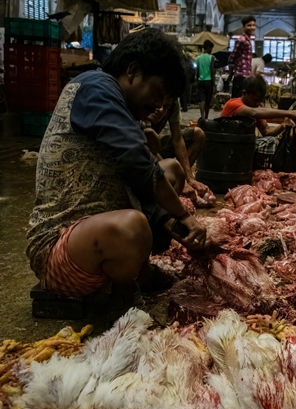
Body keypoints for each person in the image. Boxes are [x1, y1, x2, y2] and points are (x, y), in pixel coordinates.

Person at [27, 28, 207, 299]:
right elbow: (137, 166)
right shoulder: (96, 88)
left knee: (170, 170)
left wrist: (171, 223)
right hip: (60, 249)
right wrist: (183, 216)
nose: (158, 107)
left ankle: (137, 269)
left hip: (92, 237)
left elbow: (139, 179)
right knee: (131, 227)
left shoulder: (120, 104)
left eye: (165, 102)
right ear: (133, 70)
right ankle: (130, 277)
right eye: (157, 94)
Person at [221, 75, 296, 159]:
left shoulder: (255, 108)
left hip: (242, 144)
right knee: (271, 143)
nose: (257, 104)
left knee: (274, 142)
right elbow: (254, 112)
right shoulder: (233, 104)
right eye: (255, 99)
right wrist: (290, 113)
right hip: (227, 145)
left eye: (259, 101)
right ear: (244, 93)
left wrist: (283, 125)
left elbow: (266, 131)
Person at [143, 99, 209, 198]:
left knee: (198, 134)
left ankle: (180, 180)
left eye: (166, 107)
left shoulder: (173, 101)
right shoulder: (144, 100)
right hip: (140, 147)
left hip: (155, 144)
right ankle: (172, 182)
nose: (161, 110)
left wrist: (189, 177)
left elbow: (177, 138)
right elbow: (148, 147)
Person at [227, 15, 256, 98]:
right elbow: (232, 58)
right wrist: (230, 74)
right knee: (237, 102)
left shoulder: (248, 40)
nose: (252, 27)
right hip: (240, 76)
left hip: (245, 76)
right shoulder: (242, 40)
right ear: (243, 27)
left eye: (253, 25)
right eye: (249, 25)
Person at [196, 39, 215, 120]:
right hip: (209, 81)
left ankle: (202, 117)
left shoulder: (198, 58)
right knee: (208, 101)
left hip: (200, 81)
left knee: (202, 100)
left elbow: (197, 71)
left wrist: (197, 80)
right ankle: (206, 117)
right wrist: (214, 84)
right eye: (211, 48)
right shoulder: (211, 57)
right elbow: (212, 71)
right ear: (208, 48)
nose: (211, 50)